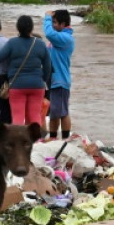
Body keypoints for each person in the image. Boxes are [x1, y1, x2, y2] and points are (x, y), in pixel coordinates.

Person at [0, 15, 51, 127]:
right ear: (31, 28)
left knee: (18, 117)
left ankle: (18, 138)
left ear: (17, 28)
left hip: (17, 85)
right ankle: (35, 137)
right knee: (35, 116)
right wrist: (42, 80)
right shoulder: (40, 44)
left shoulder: (12, 43)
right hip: (37, 85)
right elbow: (48, 66)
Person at [44, 9, 74, 140]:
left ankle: (65, 139)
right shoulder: (58, 38)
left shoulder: (65, 38)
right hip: (54, 81)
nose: (52, 25)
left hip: (60, 81)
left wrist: (47, 18)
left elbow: (48, 33)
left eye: (54, 22)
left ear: (63, 24)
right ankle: (53, 138)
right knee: (55, 113)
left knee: (62, 113)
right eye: (52, 22)